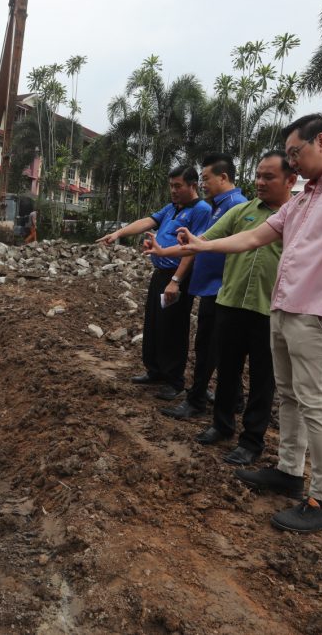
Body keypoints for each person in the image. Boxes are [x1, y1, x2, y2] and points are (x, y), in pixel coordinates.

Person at [175, 114, 322, 533]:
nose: (293, 164)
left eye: (296, 153)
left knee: (315, 404)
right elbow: (254, 237)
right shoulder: (306, 196)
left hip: (320, 314)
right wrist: (204, 245)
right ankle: (290, 472)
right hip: (285, 309)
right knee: (290, 397)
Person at [147, 151, 297, 466]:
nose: (259, 182)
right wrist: (165, 249)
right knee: (227, 370)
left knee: (262, 379)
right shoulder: (241, 211)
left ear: (291, 180)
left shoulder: (298, 217)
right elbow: (203, 241)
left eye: (268, 177)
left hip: (270, 308)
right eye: (257, 175)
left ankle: (252, 440)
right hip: (230, 302)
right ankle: (221, 425)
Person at [97, 165, 212, 400]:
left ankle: (174, 380)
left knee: (173, 327)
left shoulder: (201, 210)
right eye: (171, 186)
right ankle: (155, 370)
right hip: (160, 274)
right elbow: (147, 221)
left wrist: (176, 281)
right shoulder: (172, 208)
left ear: (193, 185)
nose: (173, 190)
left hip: (178, 277)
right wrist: (118, 234)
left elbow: (192, 249)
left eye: (178, 186)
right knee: (155, 322)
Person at [158, 153, 247, 420]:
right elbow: (201, 241)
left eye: (206, 179)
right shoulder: (219, 205)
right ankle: (234, 399)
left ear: (223, 177)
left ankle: (196, 401)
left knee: (208, 348)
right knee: (217, 347)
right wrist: (163, 252)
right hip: (210, 287)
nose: (203, 184)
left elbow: (207, 243)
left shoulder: (235, 206)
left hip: (219, 288)